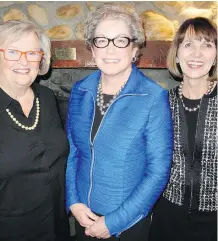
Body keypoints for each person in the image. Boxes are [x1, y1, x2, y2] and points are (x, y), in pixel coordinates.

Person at [66, 4, 173, 241]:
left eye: (121, 40)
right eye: (101, 40)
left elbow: (158, 171)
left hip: (126, 225)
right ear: (92, 49)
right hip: (84, 217)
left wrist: (114, 222)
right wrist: (73, 201)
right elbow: (73, 151)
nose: (110, 48)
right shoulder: (80, 91)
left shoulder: (153, 97)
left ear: (134, 48)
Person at [0, 20, 71, 241]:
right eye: (12, 51)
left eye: (32, 53)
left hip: (56, 228)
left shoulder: (47, 98)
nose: (23, 61)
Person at [149, 17, 217, 241]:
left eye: (206, 45)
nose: (197, 54)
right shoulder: (161, 103)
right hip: (168, 217)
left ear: (215, 55)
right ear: (176, 54)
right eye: (188, 44)